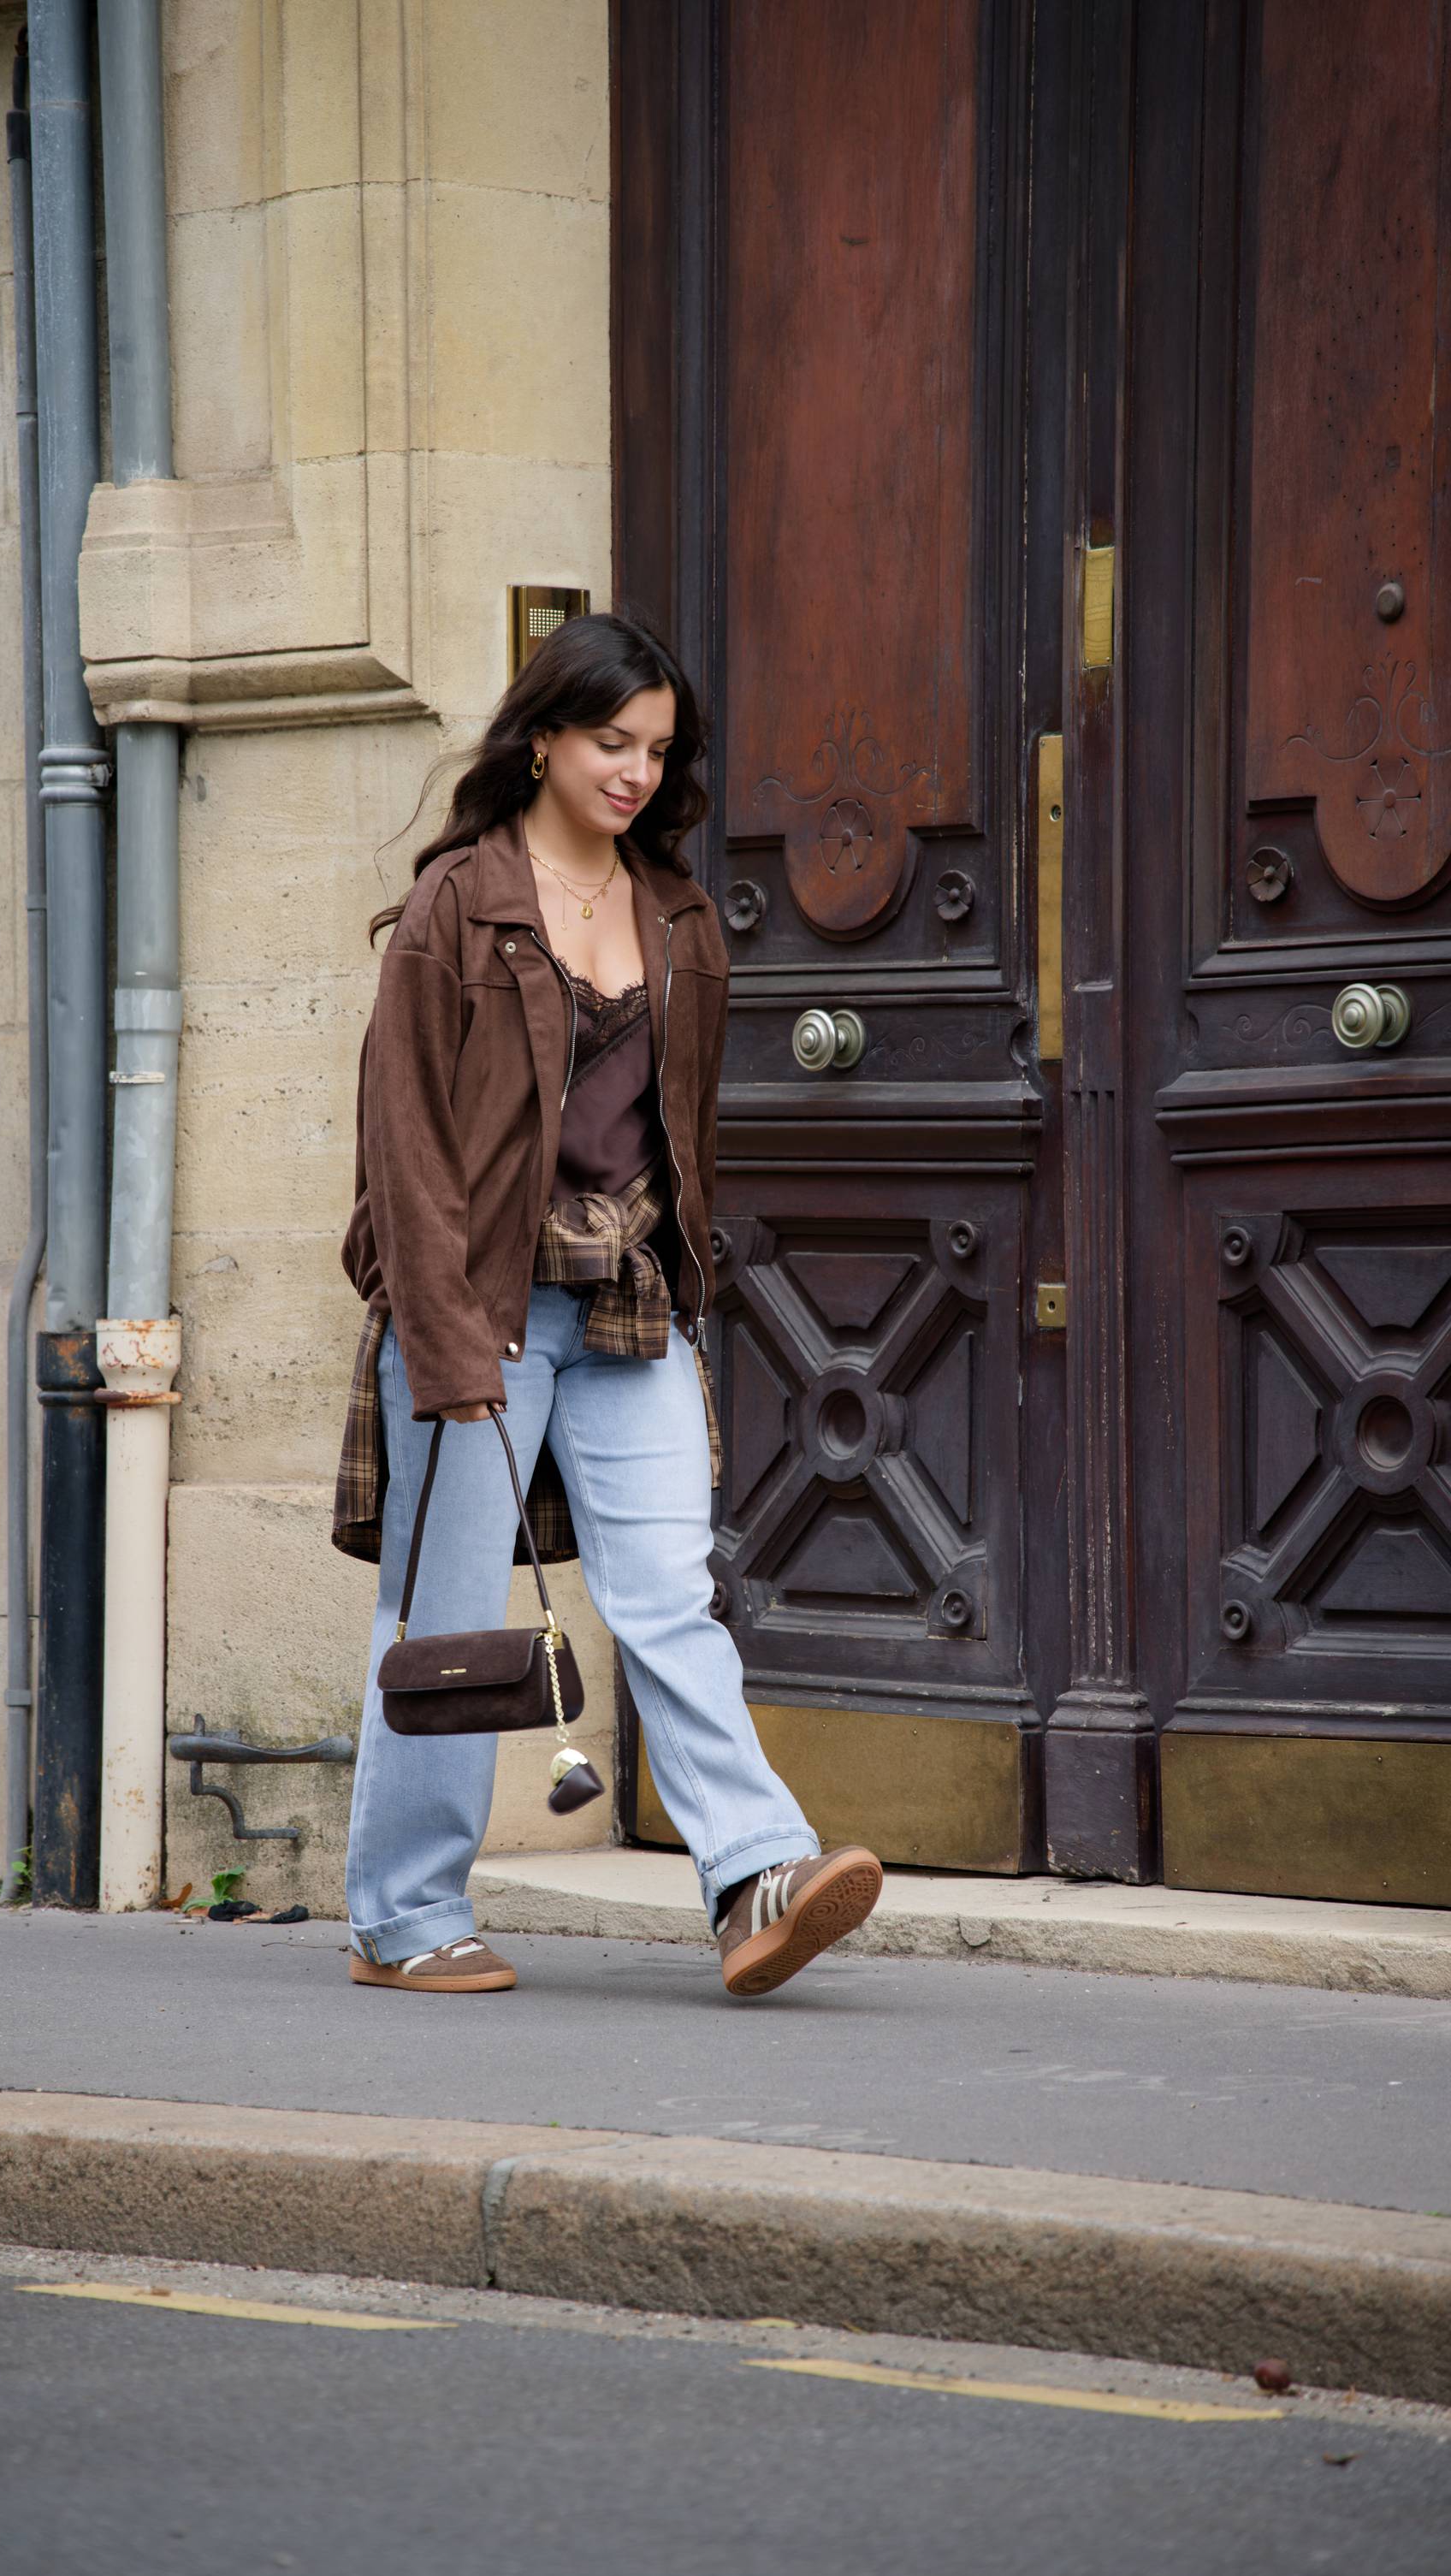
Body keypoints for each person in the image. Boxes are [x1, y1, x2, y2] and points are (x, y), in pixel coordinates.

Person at [332, 611, 883, 1997]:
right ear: (541, 739)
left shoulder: (682, 918)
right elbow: (401, 1145)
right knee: (450, 1619)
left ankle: (757, 1872)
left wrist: (691, 1292)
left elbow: (674, 1135)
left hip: (630, 1303)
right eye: (610, 742)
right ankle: (404, 1917)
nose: (637, 771)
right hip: (477, 1311)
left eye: (658, 750)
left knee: (669, 1599)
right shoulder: (462, 903)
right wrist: (440, 1340)